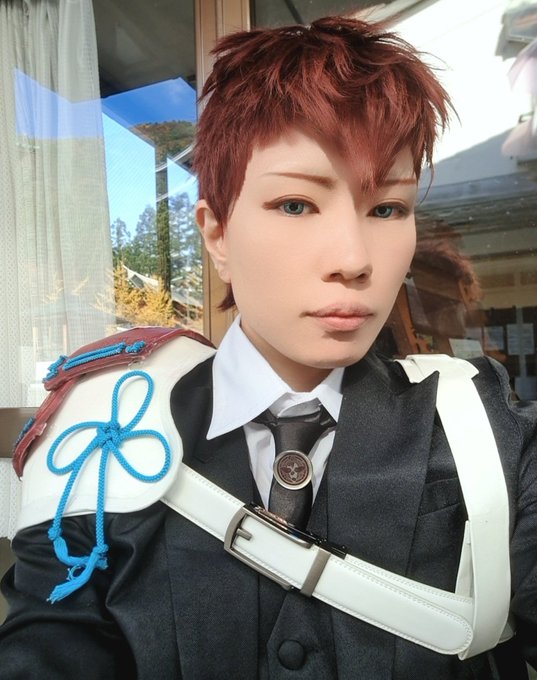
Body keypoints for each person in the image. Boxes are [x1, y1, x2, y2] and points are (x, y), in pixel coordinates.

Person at [1, 15, 536, 680]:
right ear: (217, 234)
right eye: (295, 205)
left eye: (386, 209)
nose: (352, 259)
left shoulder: (482, 428)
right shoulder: (103, 435)